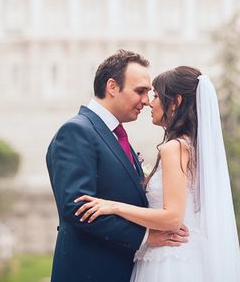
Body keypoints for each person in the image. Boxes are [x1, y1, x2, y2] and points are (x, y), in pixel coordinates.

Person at [75, 66, 240, 281]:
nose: (149, 103)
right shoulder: (194, 148)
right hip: (191, 256)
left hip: (170, 260)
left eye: (155, 95)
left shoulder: (174, 148)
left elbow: (172, 217)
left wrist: (114, 206)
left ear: (176, 102)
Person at [46, 50, 189, 282]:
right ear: (113, 87)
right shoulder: (77, 131)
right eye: (140, 91)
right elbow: (77, 208)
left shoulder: (115, 135)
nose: (145, 101)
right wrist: (145, 237)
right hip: (89, 272)